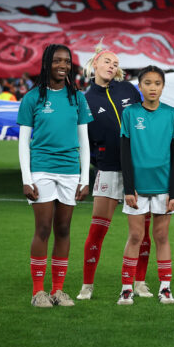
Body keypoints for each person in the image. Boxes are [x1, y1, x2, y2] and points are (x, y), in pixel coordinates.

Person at [18, 44, 92, 307]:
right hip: (41, 169)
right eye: (57, 60)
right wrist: (27, 178)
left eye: (67, 61)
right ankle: (38, 292)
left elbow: (84, 142)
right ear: (47, 63)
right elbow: (24, 141)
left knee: (63, 228)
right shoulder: (32, 98)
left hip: (70, 172)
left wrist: (84, 179)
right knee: (43, 228)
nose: (63, 65)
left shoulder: (77, 98)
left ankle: (58, 290)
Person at [77, 46, 145, 301]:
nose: (112, 66)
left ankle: (139, 283)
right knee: (97, 231)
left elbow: (142, 123)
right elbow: (85, 140)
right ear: (95, 63)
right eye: (107, 61)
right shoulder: (85, 99)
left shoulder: (127, 90)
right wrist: (100, 160)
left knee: (140, 232)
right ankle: (87, 285)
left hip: (138, 171)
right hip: (107, 170)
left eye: (115, 63)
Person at [116, 67, 174, 305]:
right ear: (140, 87)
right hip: (137, 188)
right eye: (147, 83)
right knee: (136, 235)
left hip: (164, 187)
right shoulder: (130, 114)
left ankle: (165, 288)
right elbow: (124, 153)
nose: (153, 87)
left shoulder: (173, 115)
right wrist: (128, 188)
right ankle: (126, 288)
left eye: (157, 83)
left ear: (163, 87)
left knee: (162, 236)